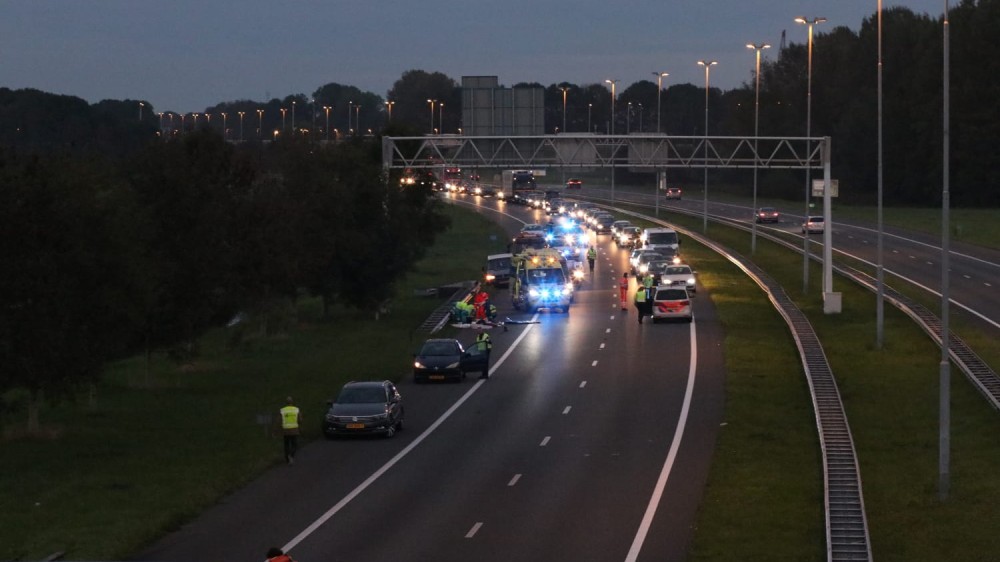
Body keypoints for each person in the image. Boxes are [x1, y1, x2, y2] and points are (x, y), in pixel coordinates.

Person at [279, 397, 302, 465]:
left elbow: (279, 420)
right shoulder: (296, 410)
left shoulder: (282, 410)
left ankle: (287, 459)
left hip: (286, 430)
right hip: (294, 430)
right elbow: (300, 420)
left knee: (286, 445)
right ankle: (291, 455)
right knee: (294, 444)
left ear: (286, 402)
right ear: (292, 402)